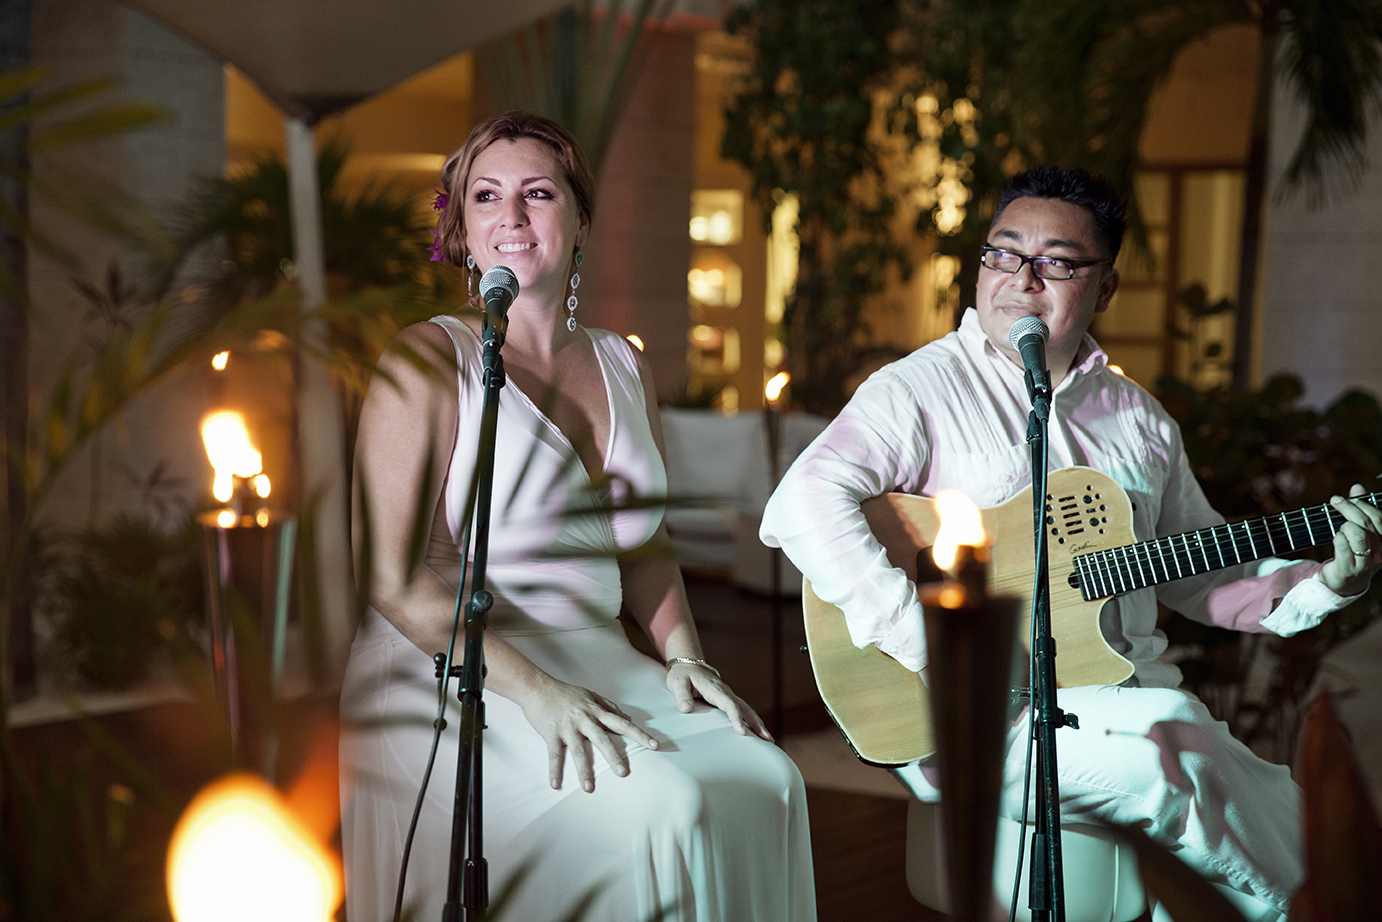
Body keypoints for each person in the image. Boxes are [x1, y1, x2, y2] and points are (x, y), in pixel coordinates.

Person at [760, 165, 1382, 921]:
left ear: (1105, 287)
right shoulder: (917, 389)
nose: (1021, 280)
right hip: (982, 721)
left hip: (1133, 697)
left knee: (1269, 791)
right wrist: (922, 633)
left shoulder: (1141, 421)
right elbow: (802, 501)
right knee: (1178, 749)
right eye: (1002, 253)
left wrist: (1328, 582)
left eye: (1055, 262)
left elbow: (1201, 570)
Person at [340, 111, 816, 922]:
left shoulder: (622, 361)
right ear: (460, 228)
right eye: (486, 196)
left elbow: (646, 544)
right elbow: (390, 579)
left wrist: (686, 658)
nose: (512, 217)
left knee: (771, 780)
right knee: (661, 806)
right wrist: (536, 693)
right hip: (456, 670)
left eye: (538, 193)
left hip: (598, 653)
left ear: (580, 217)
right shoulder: (426, 360)